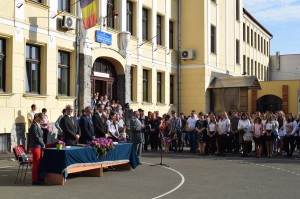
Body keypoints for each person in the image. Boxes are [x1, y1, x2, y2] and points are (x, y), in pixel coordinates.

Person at [28, 112, 45, 185]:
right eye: (41, 119)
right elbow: (36, 137)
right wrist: (43, 145)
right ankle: (34, 180)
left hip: (38, 146)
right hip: (35, 146)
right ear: (38, 118)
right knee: (36, 163)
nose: (42, 121)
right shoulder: (34, 125)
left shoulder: (37, 125)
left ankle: (38, 178)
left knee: (38, 163)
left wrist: (42, 144)